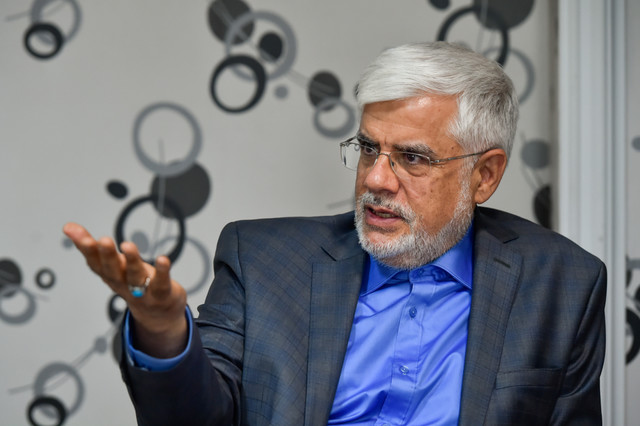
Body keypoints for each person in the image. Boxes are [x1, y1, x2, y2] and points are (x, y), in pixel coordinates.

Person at [63, 41, 606, 425]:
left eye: (412, 158)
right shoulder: (262, 261)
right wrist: (163, 331)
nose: (375, 179)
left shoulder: (563, 284)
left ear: (484, 175)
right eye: (369, 148)